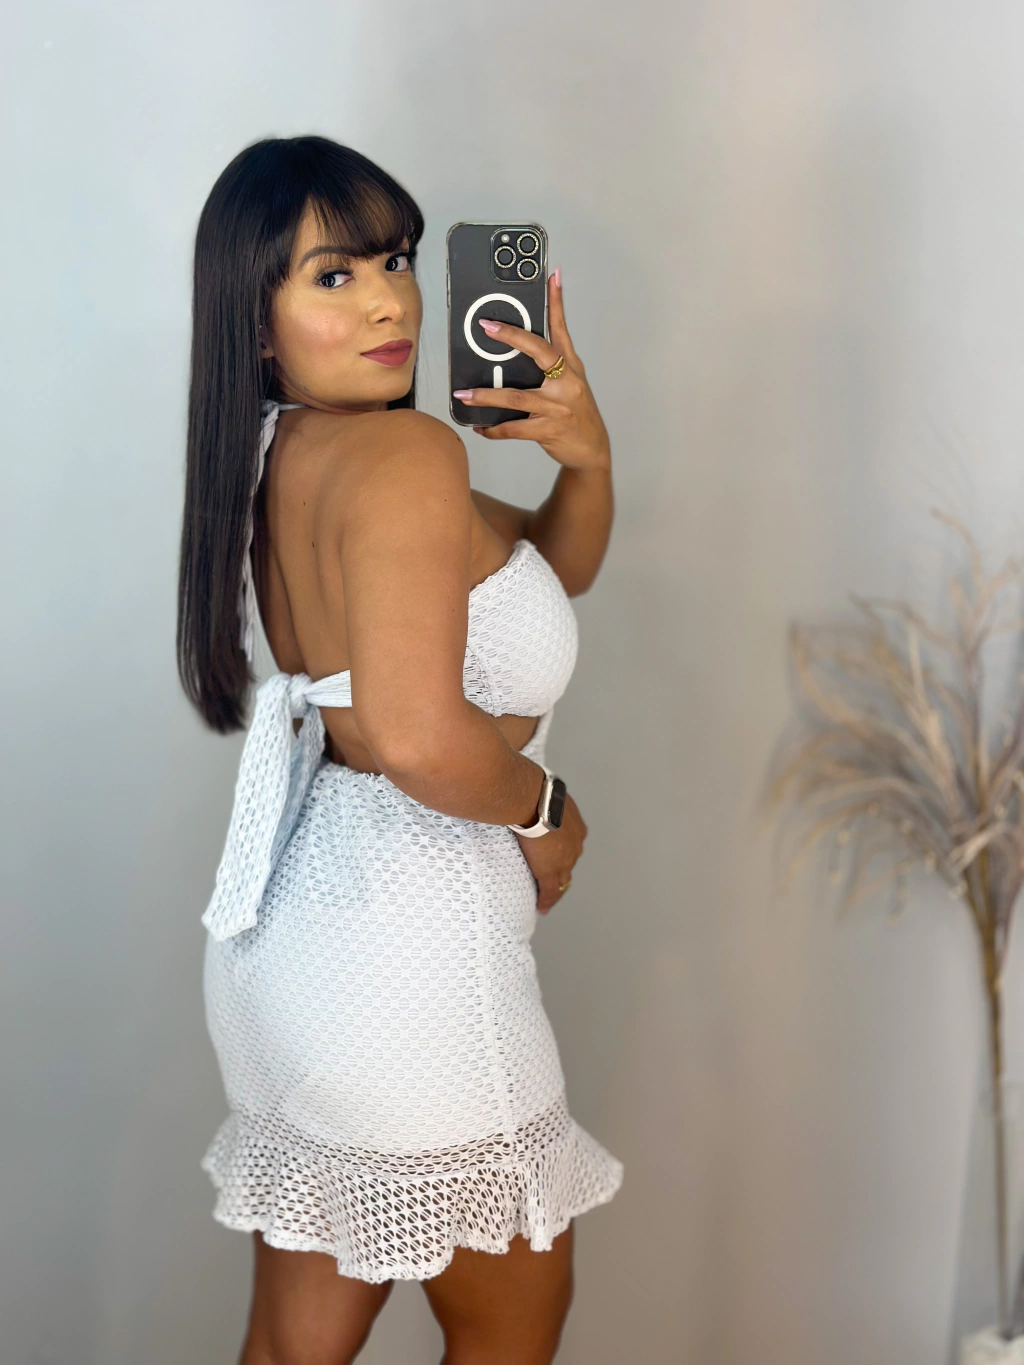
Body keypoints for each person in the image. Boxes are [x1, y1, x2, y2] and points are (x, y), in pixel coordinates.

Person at [177, 134, 622, 1365]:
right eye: (334, 275)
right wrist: (548, 812)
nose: (388, 301)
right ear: (255, 320)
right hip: (413, 953)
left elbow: (549, 567)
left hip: (296, 939)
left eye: (397, 260)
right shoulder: (408, 454)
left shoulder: (289, 452)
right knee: (510, 1332)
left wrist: (585, 457)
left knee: (294, 1346)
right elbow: (419, 739)